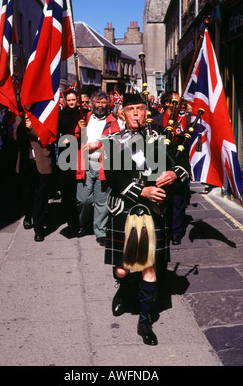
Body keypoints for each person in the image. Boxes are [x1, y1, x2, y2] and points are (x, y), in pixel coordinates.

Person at [102, 93, 190, 345]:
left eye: (140, 109)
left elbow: (183, 161)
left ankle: (144, 320)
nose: (136, 114)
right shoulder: (113, 142)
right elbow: (114, 177)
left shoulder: (161, 137)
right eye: (131, 109)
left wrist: (174, 173)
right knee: (123, 269)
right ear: (123, 113)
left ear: (146, 112)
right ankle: (124, 286)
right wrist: (143, 190)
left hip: (153, 212)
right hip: (125, 212)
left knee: (149, 268)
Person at [75, 91, 120, 245]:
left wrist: (98, 144)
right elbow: (76, 136)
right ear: (92, 104)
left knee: (102, 201)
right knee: (82, 200)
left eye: (103, 102)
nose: (100, 105)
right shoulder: (85, 118)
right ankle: (82, 224)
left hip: (102, 166)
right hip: (85, 164)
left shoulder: (112, 121)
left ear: (108, 104)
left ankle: (100, 231)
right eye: (97, 102)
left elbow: (115, 141)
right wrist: (78, 128)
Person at [153, 91, 191, 245]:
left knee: (179, 197)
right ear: (167, 103)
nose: (179, 104)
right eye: (176, 101)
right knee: (163, 197)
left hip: (180, 160)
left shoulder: (186, 120)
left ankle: (176, 232)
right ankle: (164, 227)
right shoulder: (156, 120)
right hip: (160, 160)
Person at [14, 113, 55, 242]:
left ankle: (38, 228)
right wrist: (24, 127)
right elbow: (16, 137)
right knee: (27, 194)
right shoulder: (20, 116)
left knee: (41, 197)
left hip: (42, 161)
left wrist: (32, 128)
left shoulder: (44, 112)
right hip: (26, 163)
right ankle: (28, 215)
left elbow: (47, 136)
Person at [57, 87, 85, 231]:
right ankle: (69, 217)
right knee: (66, 188)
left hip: (79, 152)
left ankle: (78, 218)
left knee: (77, 188)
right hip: (65, 152)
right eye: (69, 100)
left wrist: (83, 128)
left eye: (73, 100)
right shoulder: (61, 115)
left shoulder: (83, 113)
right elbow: (57, 135)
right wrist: (64, 140)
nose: (71, 102)